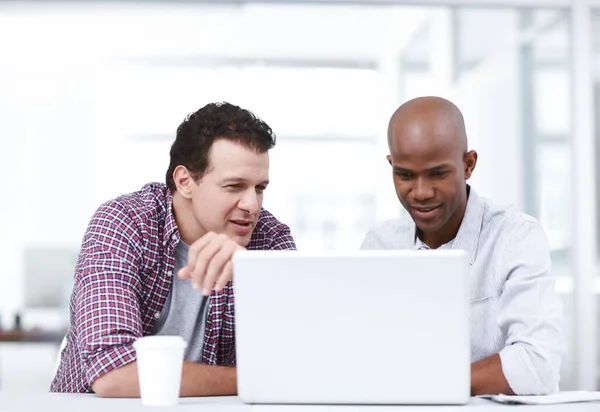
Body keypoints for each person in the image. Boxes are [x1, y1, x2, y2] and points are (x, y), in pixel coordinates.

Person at [50, 102, 296, 396]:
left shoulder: (268, 238)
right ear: (185, 181)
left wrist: (253, 274)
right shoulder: (124, 223)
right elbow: (113, 374)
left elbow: (299, 359)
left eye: (259, 188)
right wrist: (256, 380)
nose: (252, 205)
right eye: (234, 186)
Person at [360, 96, 565, 396]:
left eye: (437, 173)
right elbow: (363, 352)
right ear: (391, 165)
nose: (420, 192)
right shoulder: (380, 244)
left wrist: (425, 385)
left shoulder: (516, 237)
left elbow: (538, 364)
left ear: (468, 164)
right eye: (404, 175)